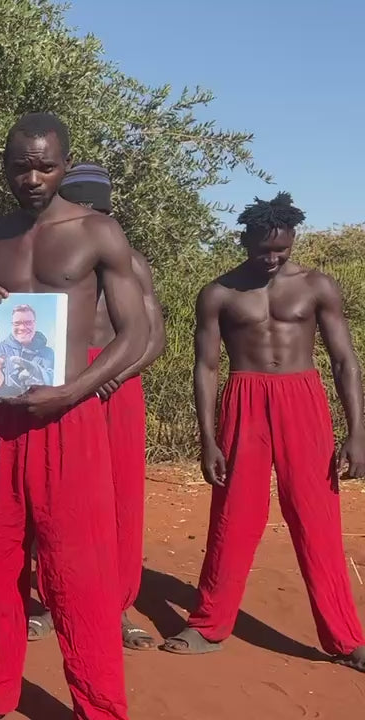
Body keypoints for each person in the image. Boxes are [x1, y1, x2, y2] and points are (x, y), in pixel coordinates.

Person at [0, 113, 149, 720]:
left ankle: (100, 706)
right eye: (20, 167)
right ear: (4, 168)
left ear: (64, 166)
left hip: (68, 421)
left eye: (45, 167)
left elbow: (135, 335)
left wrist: (75, 393)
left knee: (80, 572)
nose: (32, 178)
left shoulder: (98, 232)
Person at [161, 192, 365, 672]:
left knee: (316, 518)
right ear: (244, 241)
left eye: (281, 249)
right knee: (234, 515)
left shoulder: (317, 285)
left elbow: (344, 361)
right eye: (262, 250)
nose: (271, 259)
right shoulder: (219, 293)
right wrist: (208, 438)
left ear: (293, 240)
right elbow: (206, 366)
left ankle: (344, 637)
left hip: (303, 400)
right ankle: (208, 624)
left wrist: (357, 432)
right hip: (244, 399)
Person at [26, 162, 166, 650]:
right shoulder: (47, 251)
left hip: (115, 384)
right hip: (62, 380)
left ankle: (117, 605)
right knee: (56, 490)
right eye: (80, 203)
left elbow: (152, 336)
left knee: (119, 494)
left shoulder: (132, 262)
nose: (87, 213)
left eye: (95, 206)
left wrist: (113, 376)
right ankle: (52, 599)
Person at [0, 304, 55, 400]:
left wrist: (43, 377)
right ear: (11, 325)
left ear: (35, 324)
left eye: (28, 322)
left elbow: (57, 379)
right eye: (17, 323)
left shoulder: (49, 354)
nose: (22, 327)